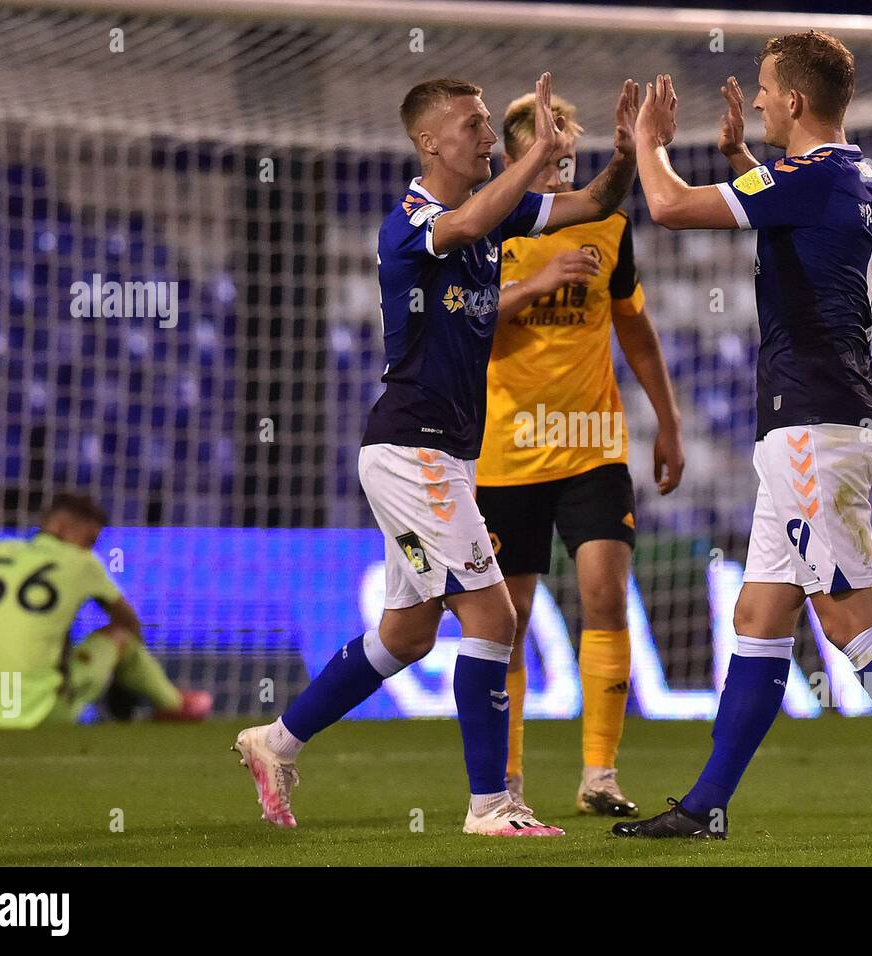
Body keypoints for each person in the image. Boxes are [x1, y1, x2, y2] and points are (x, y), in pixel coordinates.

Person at [613, 31, 872, 843]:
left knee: (851, 616)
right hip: (818, 421)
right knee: (759, 612)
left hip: (815, 426)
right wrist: (747, 160)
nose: (754, 100)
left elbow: (670, 206)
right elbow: (798, 223)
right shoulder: (857, 177)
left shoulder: (814, 177)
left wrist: (650, 145)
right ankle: (705, 806)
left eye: (762, 90)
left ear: (794, 100)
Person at [233, 73, 639, 835]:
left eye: (490, 123)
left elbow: (593, 205)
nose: (488, 135)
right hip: (409, 445)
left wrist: (621, 157)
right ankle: (492, 804)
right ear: (430, 142)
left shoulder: (501, 211)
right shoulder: (410, 219)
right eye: (475, 124)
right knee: (494, 616)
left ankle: (275, 740)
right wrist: (535, 153)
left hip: (443, 454)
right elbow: (463, 225)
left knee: (409, 634)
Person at [475, 90, 685, 818]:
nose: (561, 169)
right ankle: (503, 783)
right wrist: (532, 283)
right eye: (549, 155)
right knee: (507, 622)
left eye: (568, 156)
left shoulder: (607, 227)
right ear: (512, 154)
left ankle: (600, 775)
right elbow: (466, 327)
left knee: (603, 596)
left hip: (593, 448)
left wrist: (669, 420)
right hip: (505, 454)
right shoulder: (483, 229)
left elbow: (636, 330)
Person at [0, 493, 210, 728]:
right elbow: (129, 622)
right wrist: (124, 679)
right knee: (121, 636)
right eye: (88, 540)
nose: (89, 548)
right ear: (60, 527)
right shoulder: (81, 563)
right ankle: (174, 705)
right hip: (35, 715)